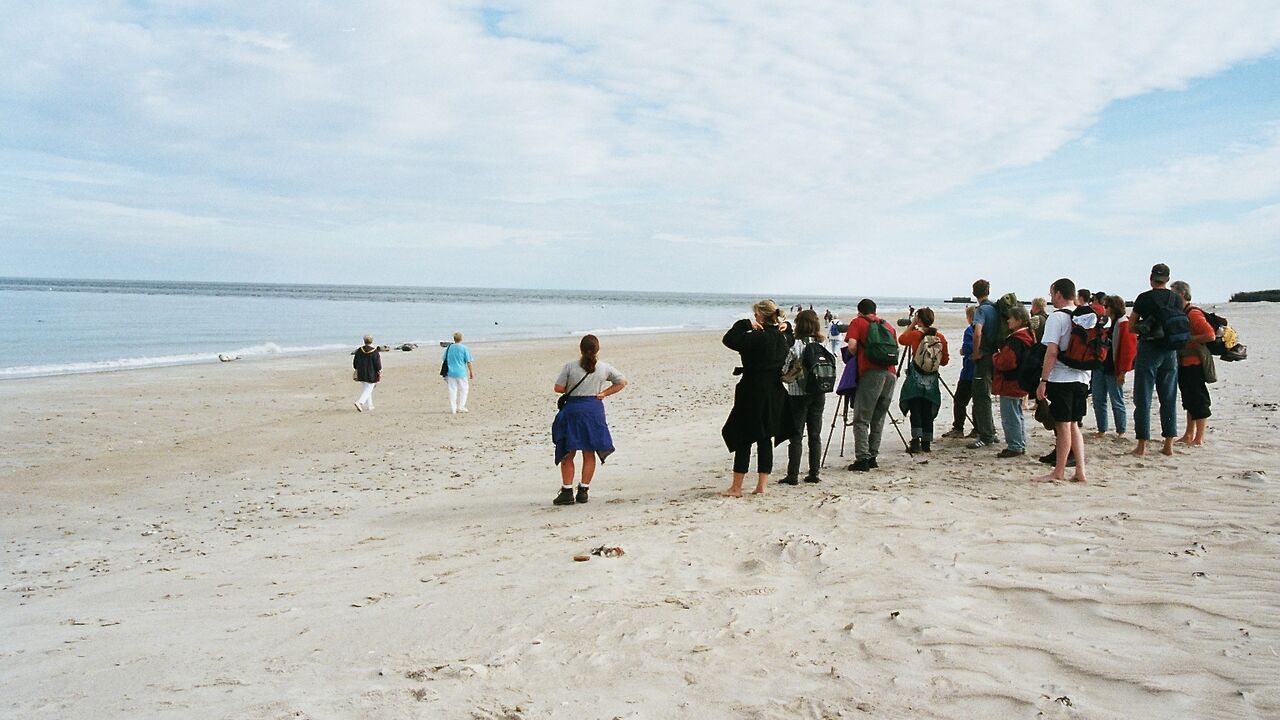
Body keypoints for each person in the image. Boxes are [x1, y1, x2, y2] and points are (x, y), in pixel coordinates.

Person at [721, 300, 791, 497]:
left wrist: (745, 324)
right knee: (764, 438)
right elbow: (791, 337)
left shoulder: (755, 338)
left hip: (752, 390)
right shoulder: (782, 338)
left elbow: (729, 339)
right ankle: (761, 487)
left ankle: (736, 487)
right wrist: (788, 327)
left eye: (755, 315)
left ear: (760, 316)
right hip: (774, 391)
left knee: (744, 437)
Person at [552, 335, 628, 506]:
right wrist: (603, 393)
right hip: (593, 410)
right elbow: (622, 382)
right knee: (589, 451)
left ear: (580, 349)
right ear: (597, 350)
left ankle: (566, 491)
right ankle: (584, 490)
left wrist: (570, 388)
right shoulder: (603, 367)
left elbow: (558, 388)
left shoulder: (570, 366)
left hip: (573, 410)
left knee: (568, 451)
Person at [1035, 278, 1090, 483]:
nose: (1051, 298)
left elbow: (1051, 352)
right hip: (1083, 376)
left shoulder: (1057, 318)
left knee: (1062, 425)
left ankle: (1058, 471)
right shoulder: (1083, 316)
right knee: (1074, 424)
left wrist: (1043, 380)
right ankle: (1080, 470)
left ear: (1058, 293)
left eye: (1052, 293)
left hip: (1062, 378)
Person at [1130, 263, 1181, 457]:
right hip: (1170, 350)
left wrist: (1145, 327)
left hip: (1149, 348)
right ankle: (1169, 445)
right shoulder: (1175, 299)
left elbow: (1131, 326)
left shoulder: (1144, 298)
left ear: (1151, 278)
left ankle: (1142, 445)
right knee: (1168, 397)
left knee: (1143, 398)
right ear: (1167, 280)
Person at [843, 299, 898, 471]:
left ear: (859, 311)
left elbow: (852, 346)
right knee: (879, 416)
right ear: (875, 311)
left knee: (861, 418)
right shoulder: (887, 325)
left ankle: (862, 458)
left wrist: (857, 354)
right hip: (890, 373)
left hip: (871, 373)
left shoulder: (857, 322)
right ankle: (873, 455)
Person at [780, 310, 827, 484]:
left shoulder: (795, 346)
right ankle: (814, 473)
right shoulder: (823, 343)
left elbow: (785, 369)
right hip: (819, 392)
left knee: (796, 435)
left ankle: (792, 475)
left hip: (797, 393)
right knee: (815, 435)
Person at [897, 307, 949, 453]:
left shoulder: (915, 335)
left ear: (919, 319)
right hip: (932, 377)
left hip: (916, 375)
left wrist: (912, 324)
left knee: (915, 407)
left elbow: (901, 340)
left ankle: (915, 441)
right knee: (927, 407)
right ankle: (927, 442)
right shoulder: (940, 337)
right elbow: (945, 361)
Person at [1171, 281, 1216, 447]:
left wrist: (1190, 339)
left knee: (1198, 400)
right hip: (1185, 362)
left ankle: (1199, 437)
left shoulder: (1193, 313)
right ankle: (1189, 434)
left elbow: (1210, 335)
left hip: (1195, 363)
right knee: (1189, 400)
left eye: (1173, 292)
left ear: (1182, 294)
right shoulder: (1183, 312)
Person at [1090, 294, 1136, 439]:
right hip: (1101, 366)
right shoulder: (1107, 322)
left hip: (1113, 368)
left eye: (1107, 306)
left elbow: (1128, 350)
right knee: (1098, 399)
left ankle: (1121, 430)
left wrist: (1123, 371)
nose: (1105, 309)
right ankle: (1102, 429)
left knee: (1117, 399)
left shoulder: (1124, 324)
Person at [992, 307, 1035, 457]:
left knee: (1010, 416)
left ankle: (1015, 445)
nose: (1008, 321)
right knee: (1017, 415)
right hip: (1021, 381)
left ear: (1018, 320)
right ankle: (1019, 443)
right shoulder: (1028, 336)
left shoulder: (1017, 339)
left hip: (1011, 382)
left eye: (1010, 318)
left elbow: (1007, 362)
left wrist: (995, 357)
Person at [967, 279, 1000, 449]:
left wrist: (975, 352)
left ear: (974, 292)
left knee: (981, 397)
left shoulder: (981, 310)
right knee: (986, 394)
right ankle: (991, 431)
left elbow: (977, 332)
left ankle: (986, 435)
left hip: (985, 356)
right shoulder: (994, 308)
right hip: (996, 354)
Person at [943, 306, 977, 438]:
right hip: (979, 370)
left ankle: (958, 427)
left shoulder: (970, 330)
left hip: (969, 372)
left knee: (960, 400)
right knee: (977, 401)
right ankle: (977, 427)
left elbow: (967, 348)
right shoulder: (985, 329)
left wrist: (963, 351)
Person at [441, 331, 475, 414]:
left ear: (454, 338)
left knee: (452, 390)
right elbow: (468, 361)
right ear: (461, 338)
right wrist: (471, 372)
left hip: (450, 372)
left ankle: (453, 408)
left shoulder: (449, 348)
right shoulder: (464, 348)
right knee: (464, 389)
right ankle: (461, 406)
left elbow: (444, 359)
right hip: (461, 372)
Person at [352, 335, 381, 412]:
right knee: (369, 388)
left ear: (364, 341)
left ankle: (370, 406)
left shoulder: (359, 350)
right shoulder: (374, 351)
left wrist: (356, 368)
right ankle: (360, 402)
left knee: (366, 388)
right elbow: (377, 364)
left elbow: (355, 362)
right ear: (372, 341)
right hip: (371, 373)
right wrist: (379, 370)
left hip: (361, 372)